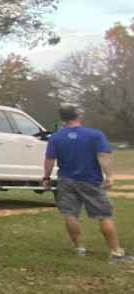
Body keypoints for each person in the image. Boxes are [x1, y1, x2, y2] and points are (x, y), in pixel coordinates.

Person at [43, 105, 126, 262]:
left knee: (70, 214)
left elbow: (50, 159)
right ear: (78, 115)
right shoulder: (94, 134)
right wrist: (109, 176)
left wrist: (46, 177)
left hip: (66, 181)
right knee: (104, 215)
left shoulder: (56, 137)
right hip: (91, 180)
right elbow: (103, 155)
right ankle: (116, 252)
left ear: (62, 118)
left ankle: (79, 248)